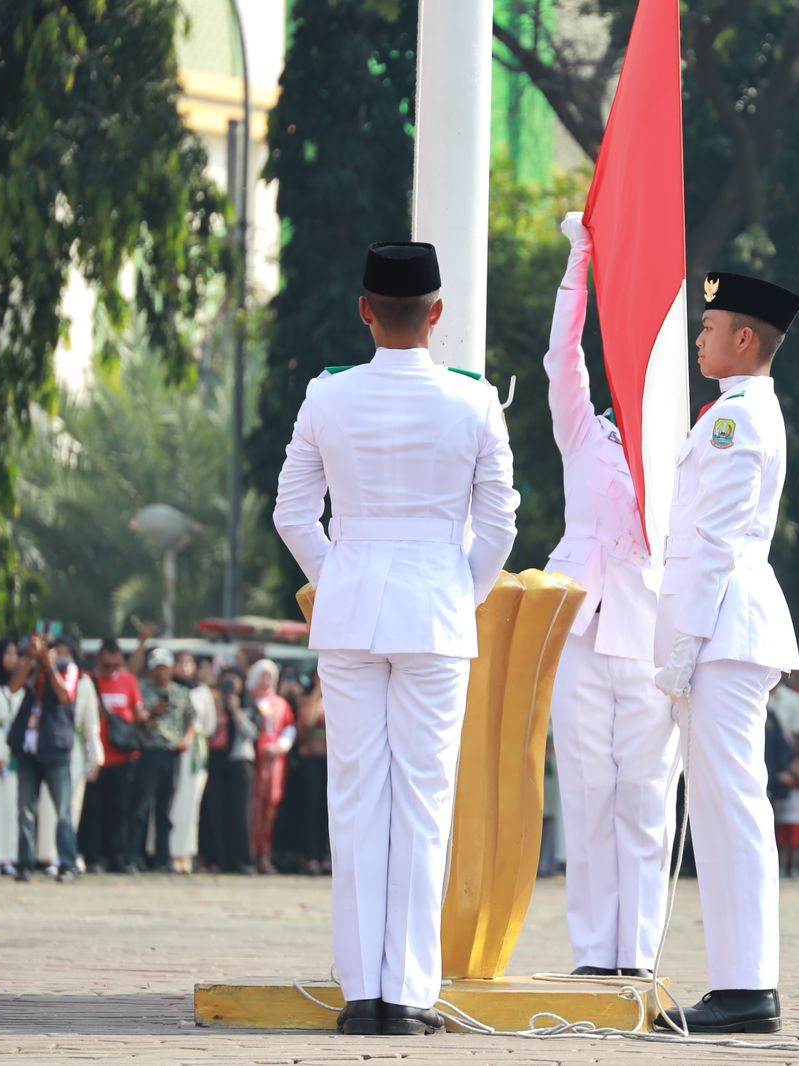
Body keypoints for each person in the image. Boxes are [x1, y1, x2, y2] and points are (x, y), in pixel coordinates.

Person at [272, 240, 519, 1036]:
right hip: (435, 612)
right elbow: (501, 522)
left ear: (364, 311)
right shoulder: (475, 400)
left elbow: (292, 513)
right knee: (423, 799)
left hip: (350, 609)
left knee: (355, 797)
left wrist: (339, 573)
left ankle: (362, 994)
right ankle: (409, 993)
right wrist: (460, 589)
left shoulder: (327, 396)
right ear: (438, 315)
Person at [651, 270, 799, 1035]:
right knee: (719, 811)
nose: (700, 336)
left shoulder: (734, 420)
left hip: (721, 629)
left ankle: (747, 986)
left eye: (711, 326)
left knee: (731, 808)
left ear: (746, 338)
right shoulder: (734, 412)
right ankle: (740, 981)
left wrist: (680, 649)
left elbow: (709, 543)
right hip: (721, 629)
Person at [543, 213, 679, 980]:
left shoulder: (676, 446)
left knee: (647, 797)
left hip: (651, 632)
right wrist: (579, 264)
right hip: (581, 630)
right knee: (589, 795)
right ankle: (595, 955)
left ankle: (640, 953)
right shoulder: (583, 435)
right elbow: (561, 357)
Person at [6, 632, 82, 881]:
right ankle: (24, 865)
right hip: (28, 749)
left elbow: (65, 695)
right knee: (25, 811)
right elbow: (13, 688)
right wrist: (30, 660)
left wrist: (49, 667)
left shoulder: (66, 667)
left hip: (55, 748)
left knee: (63, 812)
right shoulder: (30, 667)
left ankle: (68, 864)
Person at [36, 638, 101, 873]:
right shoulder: (44, 679)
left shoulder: (83, 683)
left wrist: (96, 756)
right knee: (47, 804)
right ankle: (48, 855)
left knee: (71, 804)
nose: (62, 658)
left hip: (73, 746)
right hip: (48, 745)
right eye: (57, 653)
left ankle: (67, 855)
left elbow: (91, 724)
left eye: (66, 653)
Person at [129, 648, 194, 873]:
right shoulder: (142, 689)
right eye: (157, 667)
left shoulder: (181, 693)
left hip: (170, 753)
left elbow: (192, 719)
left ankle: (162, 858)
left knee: (165, 809)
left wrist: (187, 739)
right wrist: (151, 713)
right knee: (141, 807)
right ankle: (134, 857)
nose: (161, 672)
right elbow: (136, 718)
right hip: (149, 752)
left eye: (165, 667)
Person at [81, 638, 142, 873]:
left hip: (122, 758)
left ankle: (118, 858)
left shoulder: (129, 681)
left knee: (119, 811)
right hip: (96, 757)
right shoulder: (88, 681)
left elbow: (138, 713)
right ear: (98, 660)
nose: (111, 670)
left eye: (115, 666)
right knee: (93, 810)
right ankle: (94, 859)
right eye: (106, 665)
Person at [200, 667, 256, 875]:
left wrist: (236, 710)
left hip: (239, 762)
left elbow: (251, 732)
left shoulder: (249, 704)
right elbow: (208, 731)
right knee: (215, 811)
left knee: (240, 813)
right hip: (216, 763)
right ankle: (217, 859)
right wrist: (218, 709)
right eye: (226, 682)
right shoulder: (214, 703)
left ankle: (242, 861)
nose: (230, 687)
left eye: (235, 682)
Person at [168, 651, 216, 874]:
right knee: (173, 802)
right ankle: (170, 851)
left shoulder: (202, 692)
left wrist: (195, 738)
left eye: (188, 663)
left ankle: (187, 852)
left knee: (191, 803)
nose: (184, 667)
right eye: (180, 662)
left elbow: (209, 724)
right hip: (172, 749)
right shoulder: (170, 688)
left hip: (195, 751)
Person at [247, 659, 295, 876]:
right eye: (262, 675)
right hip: (253, 758)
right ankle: (250, 852)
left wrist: (281, 747)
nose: (266, 680)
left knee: (271, 805)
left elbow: (289, 728)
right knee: (253, 806)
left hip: (275, 759)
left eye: (269, 676)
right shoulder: (249, 699)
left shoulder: (280, 703)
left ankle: (265, 853)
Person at [290, 679, 331, 876]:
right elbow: (305, 723)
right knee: (312, 809)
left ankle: (325, 855)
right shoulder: (310, 700)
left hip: (331, 762)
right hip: (311, 761)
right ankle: (310, 855)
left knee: (328, 810)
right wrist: (317, 692)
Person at [0, 639, 22, 874]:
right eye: (7, 654)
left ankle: (8, 857)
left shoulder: (19, 688)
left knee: (11, 804)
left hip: (12, 748)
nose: (11, 659)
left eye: (15, 654)